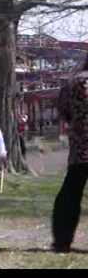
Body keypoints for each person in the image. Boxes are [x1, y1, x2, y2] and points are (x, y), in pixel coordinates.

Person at [51, 62, 88, 253]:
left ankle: (62, 241)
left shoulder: (73, 81)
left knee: (70, 196)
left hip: (80, 149)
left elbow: (63, 112)